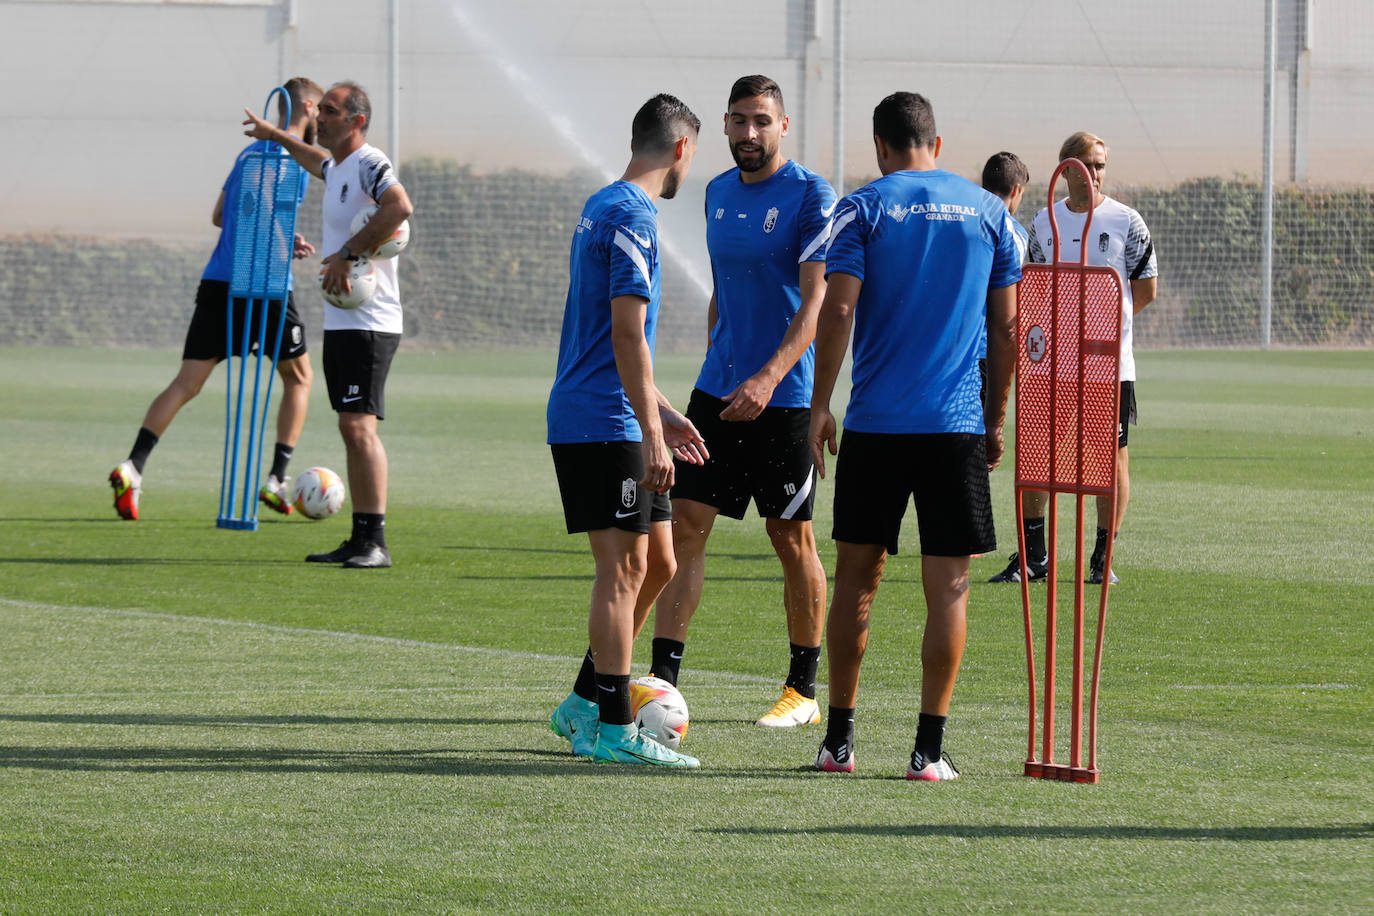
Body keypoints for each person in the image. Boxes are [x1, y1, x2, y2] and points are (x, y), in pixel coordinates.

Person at [809, 92, 1021, 781]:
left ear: (880, 144)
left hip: (874, 423)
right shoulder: (990, 213)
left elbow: (838, 309)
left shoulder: (864, 206)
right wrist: (994, 417)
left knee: (855, 583)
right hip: (954, 425)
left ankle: (837, 742)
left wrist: (819, 404)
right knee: (950, 587)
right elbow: (1008, 329)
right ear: (938, 140)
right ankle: (928, 751)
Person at [645, 75, 834, 728]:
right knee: (686, 528)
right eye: (737, 121)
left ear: (783, 127)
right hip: (717, 392)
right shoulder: (717, 193)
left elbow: (816, 303)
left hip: (783, 398)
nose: (748, 134)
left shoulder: (812, 195)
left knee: (791, 537)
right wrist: (721, 366)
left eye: (761, 121)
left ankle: (802, 693)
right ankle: (662, 681)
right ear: (723, 126)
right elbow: (723, 293)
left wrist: (768, 378)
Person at [546, 94, 706, 767]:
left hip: (613, 410)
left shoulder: (601, 205)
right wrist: (647, 428)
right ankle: (613, 728)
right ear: (678, 150)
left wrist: (660, 410)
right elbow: (623, 331)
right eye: (691, 158)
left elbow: (614, 340)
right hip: (600, 422)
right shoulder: (633, 216)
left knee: (660, 563)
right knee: (623, 570)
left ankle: (582, 703)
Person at [109, 77, 324, 521]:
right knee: (300, 378)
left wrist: (286, 235)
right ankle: (275, 479)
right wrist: (281, 239)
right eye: (322, 110)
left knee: (186, 384)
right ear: (307, 105)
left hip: (220, 279)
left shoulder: (248, 153)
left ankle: (133, 466)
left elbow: (221, 216)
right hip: (263, 283)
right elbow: (275, 201)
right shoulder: (295, 157)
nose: (324, 119)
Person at [244, 81, 415, 569]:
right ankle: (361, 538)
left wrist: (347, 252)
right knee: (349, 426)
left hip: (372, 322)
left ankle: (375, 541)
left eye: (331, 111)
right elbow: (310, 158)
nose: (320, 117)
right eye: (320, 110)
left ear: (356, 121)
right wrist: (274, 133)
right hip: (344, 322)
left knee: (359, 427)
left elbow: (399, 206)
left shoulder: (368, 161)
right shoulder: (337, 165)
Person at [987, 132, 1157, 586]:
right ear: (1065, 169)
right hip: (1054, 370)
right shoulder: (1045, 222)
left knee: (1113, 461)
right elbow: (1035, 288)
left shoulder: (1128, 221)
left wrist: (1102, 328)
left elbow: (1145, 288)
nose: (1094, 173)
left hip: (1109, 370)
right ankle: (1034, 558)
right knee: (1039, 457)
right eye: (1086, 164)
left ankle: (1103, 557)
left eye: (1101, 165)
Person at [978, 152, 1030, 412]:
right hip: (986, 351)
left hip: (944, 348)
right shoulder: (1013, 233)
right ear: (1017, 190)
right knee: (977, 442)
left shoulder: (959, 219)